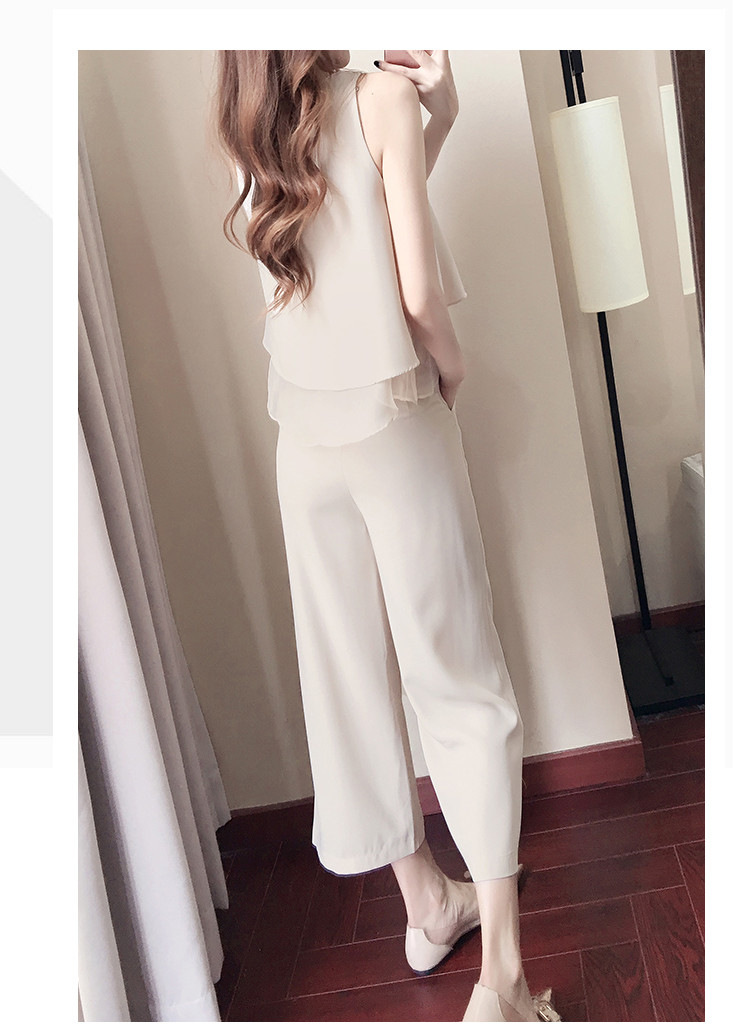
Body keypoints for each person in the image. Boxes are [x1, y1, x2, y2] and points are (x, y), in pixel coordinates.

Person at [213, 50, 561, 1023]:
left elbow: (351, 210)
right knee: (460, 682)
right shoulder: (380, 95)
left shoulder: (249, 121)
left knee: (348, 685)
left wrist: (436, 115)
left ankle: (427, 907)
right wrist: (452, 371)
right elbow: (412, 293)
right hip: (395, 421)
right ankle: (503, 982)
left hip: (303, 442)